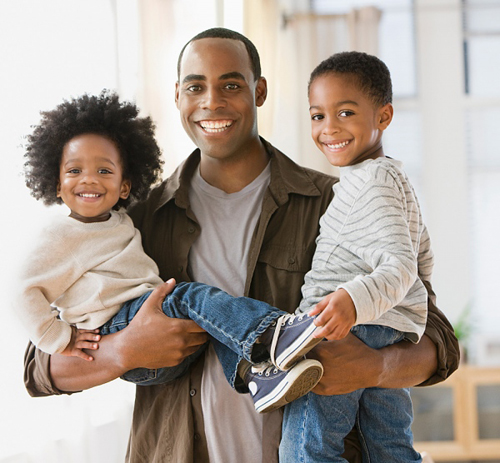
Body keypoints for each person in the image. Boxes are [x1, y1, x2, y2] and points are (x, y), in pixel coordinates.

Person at [23, 28, 460, 463]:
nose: (212, 102)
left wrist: (375, 368)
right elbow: (40, 367)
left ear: (260, 91)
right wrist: (121, 351)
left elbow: (435, 335)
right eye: (196, 87)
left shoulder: (335, 201)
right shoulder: (134, 222)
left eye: (231, 85)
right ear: (178, 95)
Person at [17, 90, 325, 414]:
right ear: (56, 182)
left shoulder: (121, 218)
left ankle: (257, 376)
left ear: (125, 185)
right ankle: (275, 332)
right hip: (119, 326)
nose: (90, 180)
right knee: (190, 297)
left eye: (104, 171)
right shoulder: (62, 234)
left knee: (214, 319)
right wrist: (69, 339)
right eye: (75, 171)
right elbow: (24, 306)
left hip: (156, 332)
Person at [279, 51, 431, 462]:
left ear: (383, 116)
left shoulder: (370, 181)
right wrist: (403, 311)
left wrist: (351, 301)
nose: (329, 128)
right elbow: (421, 260)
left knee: (307, 449)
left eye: (345, 112)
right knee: (390, 446)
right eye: (317, 116)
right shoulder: (392, 177)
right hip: (387, 332)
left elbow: (400, 265)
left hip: (346, 331)